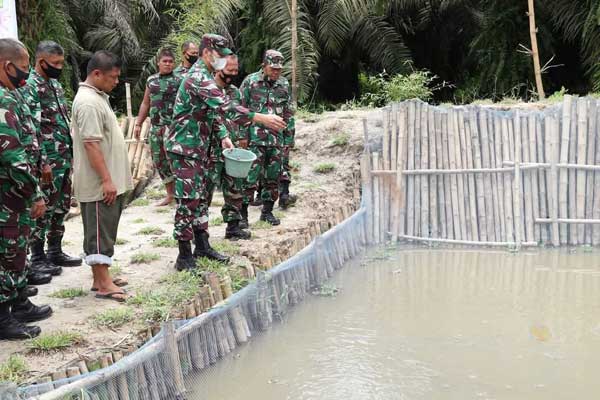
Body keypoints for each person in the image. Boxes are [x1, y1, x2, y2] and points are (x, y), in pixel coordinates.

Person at [165, 33, 286, 271]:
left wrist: (223, 137)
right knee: (188, 201)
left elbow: (212, 113)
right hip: (184, 149)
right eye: (220, 55)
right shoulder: (198, 78)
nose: (224, 61)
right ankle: (184, 256)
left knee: (200, 201)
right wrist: (260, 118)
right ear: (207, 53)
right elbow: (225, 106)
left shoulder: (206, 76)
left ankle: (202, 245)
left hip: (199, 148)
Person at [71, 51, 133, 302]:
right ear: (96, 74)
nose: (116, 81)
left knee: (105, 229)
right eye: (112, 77)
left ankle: (101, 278)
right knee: (99, 231)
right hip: (99, 183)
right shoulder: (87, 102)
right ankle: (104, 283)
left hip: (107, 181)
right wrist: (107, 179)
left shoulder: (97, 97)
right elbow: (91, 145)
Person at [0, 38, 51, 340]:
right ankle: (3, 317)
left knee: (17, 251)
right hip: (9, 194)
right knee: (8, 253)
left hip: (14, 193)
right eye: (23, 68)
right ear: (7, 66)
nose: (26, 73)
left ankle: (18, 302)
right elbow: (12, 156)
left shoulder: (11, 94)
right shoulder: (3, 101)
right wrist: (35, 193)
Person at [27, 40, 82, 270]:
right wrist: (43, 162)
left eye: (61, 62)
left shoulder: (55, 86)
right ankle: (38, 257)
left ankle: (55, 250)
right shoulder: (31, 86)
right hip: (47, 159)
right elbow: (32, 128)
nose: (60, 67)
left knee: (61, 205)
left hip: (63, 156)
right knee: (44, 207)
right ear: (41, 61)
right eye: (55, 63)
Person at [240, 49, 295, 226]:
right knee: (249, 178)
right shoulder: (250, 82)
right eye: (273, 68)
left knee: (272, 178)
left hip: (276, 140)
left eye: (279, 69)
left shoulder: (284, 84)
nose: (276, 72)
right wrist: (241, 137)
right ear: (264, 66)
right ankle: (242, 216)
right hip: (254, 140)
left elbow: (288, 113)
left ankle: (267, 212)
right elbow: (240, 111)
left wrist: (288, 139)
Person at [209, 54, 251, 240]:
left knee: (234, 186)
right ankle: (199, 232)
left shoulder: (235, 92)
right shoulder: (207, 89)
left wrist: (242, 137)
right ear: (219, 69)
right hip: (210, 148)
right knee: (205, 191)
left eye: (236, 70)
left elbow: (241, 117)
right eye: (230, 70)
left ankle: (233, 227)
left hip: (232, 147)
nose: (233, 74)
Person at [134, 48, 180, 206]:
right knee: (159, 160)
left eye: (170, 62)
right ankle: (170, 195)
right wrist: (138, 123)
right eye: (164, 61)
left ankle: (182, 194)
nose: (167, 64)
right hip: (156, 127)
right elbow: (146, 102)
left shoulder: (180, 80)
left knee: (175, 160)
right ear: (158, 63)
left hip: (173, 128)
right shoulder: (151, 80)